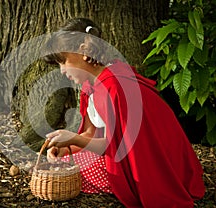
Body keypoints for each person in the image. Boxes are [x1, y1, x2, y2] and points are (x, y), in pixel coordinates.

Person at [43, 17, 205, 207]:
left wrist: (73, 139)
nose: (62, 71)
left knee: (74, 169)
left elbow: (115, 147)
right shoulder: (92, 86)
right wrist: (65, 147)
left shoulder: (115, 87)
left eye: (63, 62)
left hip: (151, 164)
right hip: (116, 151)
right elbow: (91, 133)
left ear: (84, 51)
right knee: (61, 161)